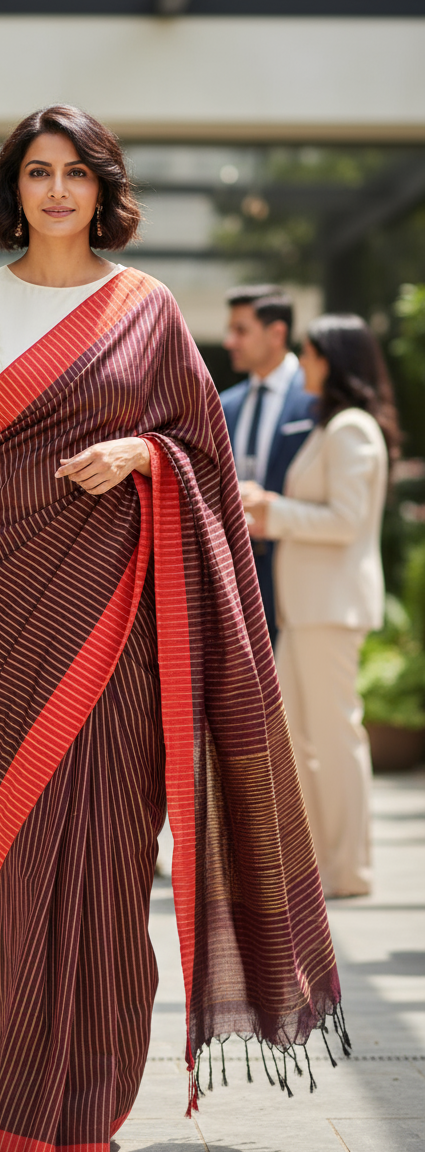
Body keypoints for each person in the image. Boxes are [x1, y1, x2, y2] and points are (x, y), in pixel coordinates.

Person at [0, 106, 344, 1152]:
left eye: (75, 173)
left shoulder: (142, 306)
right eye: (37, 172)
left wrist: (140, 449)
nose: (56, 191)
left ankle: (83, 1108)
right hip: (1, 606)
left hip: (117, 611)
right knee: (15, 861)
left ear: (103, 187)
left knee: (99, 852)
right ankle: (18, 1101)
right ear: (15, 186)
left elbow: (201, 443)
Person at [241, 315, 398, 900]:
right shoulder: (329, 426)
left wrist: (272, 510)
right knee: (304, 741)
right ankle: (317, 866)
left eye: (308, 356)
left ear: (331, 361)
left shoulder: (351, 429)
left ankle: (348, 869)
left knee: (334, 740)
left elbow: (346, 520)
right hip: (308, 609)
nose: (301, 367)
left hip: (331, 608)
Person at [220, 287, 316, 643]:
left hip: (300, 575)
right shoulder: (224, 404)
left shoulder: (317, 401)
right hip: (235, 578)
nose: (230, 341)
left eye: (241, 330)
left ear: (277, 333)